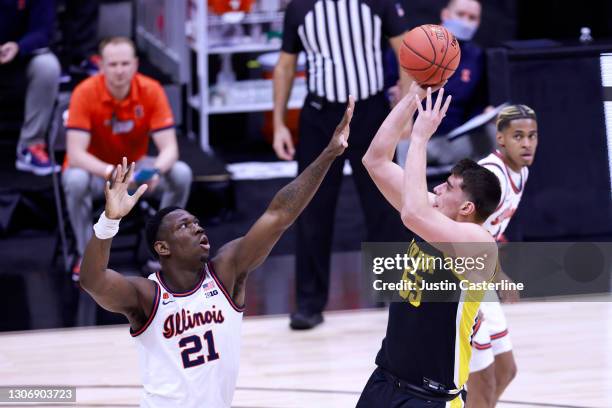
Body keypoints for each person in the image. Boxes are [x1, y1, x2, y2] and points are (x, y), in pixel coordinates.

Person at [78, 98, 354, 407]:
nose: (197, 228)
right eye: (184, 226)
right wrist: (109, 220)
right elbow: (93, 281)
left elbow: (279, 215)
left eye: (196, 222)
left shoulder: (226, 272)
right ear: (162, 248)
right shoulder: (148, 296)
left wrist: (329, 154)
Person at [359, 84, 501, 406]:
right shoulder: (431, 210)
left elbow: (412, 214)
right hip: (384, 381)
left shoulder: (478, 244)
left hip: (430, 399)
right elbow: (376, 160)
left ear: (467, 208)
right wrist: (413, 97)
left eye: (448, 187)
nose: (438, 188)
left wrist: (419, 138)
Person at [273, 0, 411, 330]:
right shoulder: (300, 8)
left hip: (371, 112)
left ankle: (393, 293)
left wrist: (405, 110)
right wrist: (279, 123)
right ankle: (309, 303)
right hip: (321, 115)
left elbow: (405, 51)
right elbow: (284, 66)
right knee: (311, 210)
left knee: (384, 205)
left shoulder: (378, 3)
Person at [63, 37, 193, 281]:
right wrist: (112, 173)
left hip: (136, 168)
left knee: (181, 173)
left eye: (125, 63)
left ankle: (161, 251)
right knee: (75, 179)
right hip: (98, 172)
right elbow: (75, 153)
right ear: (101, 65)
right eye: (113, 64)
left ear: (135, 65)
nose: (120, 70)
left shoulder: (151, 89)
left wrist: (154, 170)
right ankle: (85, 256)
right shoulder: (84, 92)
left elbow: (170, 149)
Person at [467, 104, 538, 408]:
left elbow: (489, 231)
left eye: (533, 136)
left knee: (506, 371)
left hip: (479, 276)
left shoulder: (520, 173)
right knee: (483, 384)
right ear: (500, 139)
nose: (526, 143)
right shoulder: (492, 176)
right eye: (518, 136)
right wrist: (501, 276)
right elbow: (463, 235)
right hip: (460, 277)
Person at [395, 0, 491, 167]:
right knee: (402, 141)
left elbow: (476, 104)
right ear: (445, 15)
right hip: (413, 134)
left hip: (453, 138)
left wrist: (485, 115)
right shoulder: (417, 45)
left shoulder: (476, 56)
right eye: (460, 14)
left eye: (472, 17)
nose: (465, 22)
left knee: (496, 131)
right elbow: (391, 88)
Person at [0, 0, 61, 175]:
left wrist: (19, 47)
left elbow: (43, 30)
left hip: (19, 58)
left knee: (47, 66)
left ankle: (30, 145)